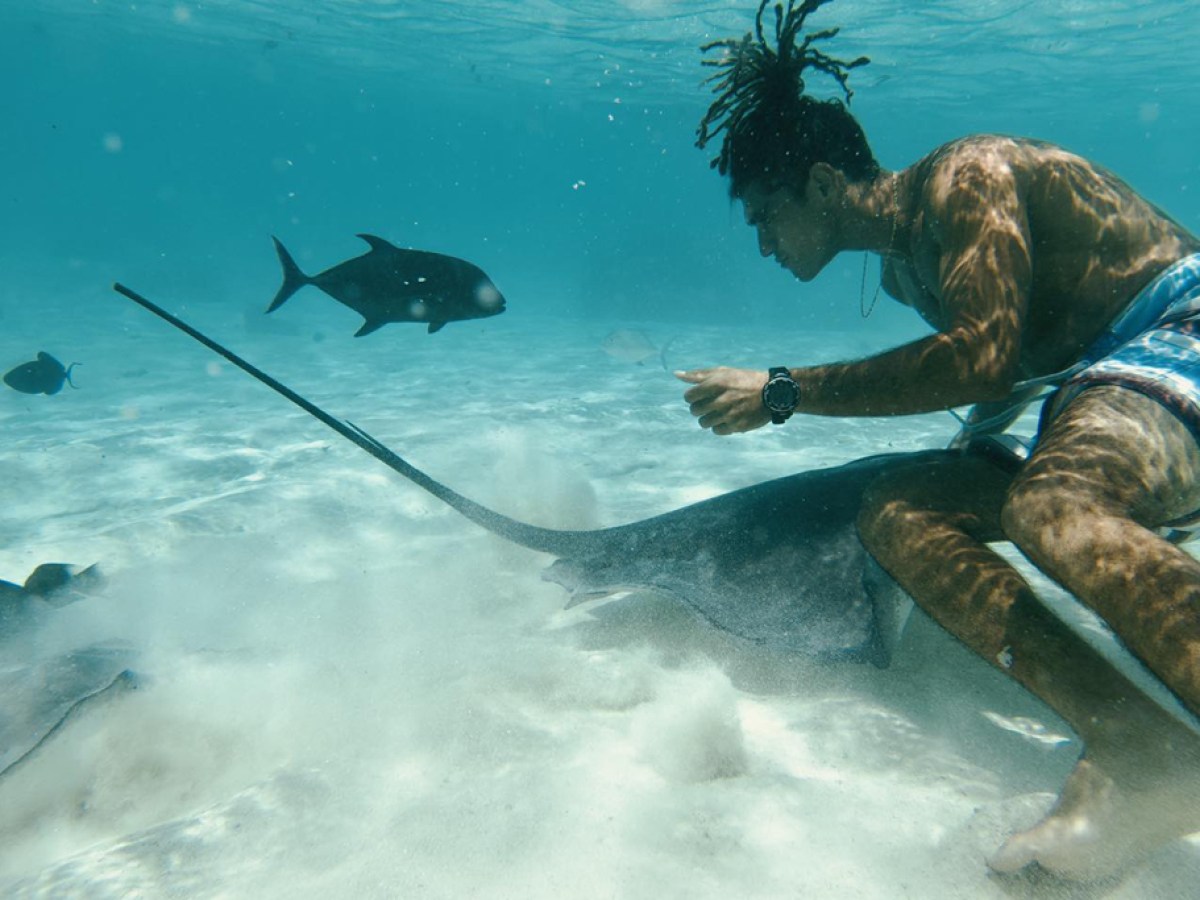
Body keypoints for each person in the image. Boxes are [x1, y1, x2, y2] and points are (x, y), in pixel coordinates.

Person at [677, 0, 1200, 882]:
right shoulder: (903, 265)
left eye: (766, 213)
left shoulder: (966, 177)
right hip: (1111, 396)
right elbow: (1000, 384)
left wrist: (781, 392)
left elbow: (979, 354)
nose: (763, 242)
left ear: (817, 181)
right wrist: (976, 460)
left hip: (1182, 335)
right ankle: (1139, 747)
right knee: (900, 514)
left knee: (1054, 505)